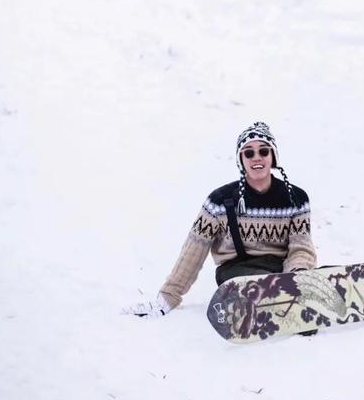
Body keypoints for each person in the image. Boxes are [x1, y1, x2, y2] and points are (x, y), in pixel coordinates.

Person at [123, 122, 317, 317]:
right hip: (237, 274)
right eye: (248, 153)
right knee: (249, 285)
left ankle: (299, 300)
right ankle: (286, 302)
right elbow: (194, 250)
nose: (256, 157)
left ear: (272, 156)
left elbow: (301, 248)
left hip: (281, 270)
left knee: (310, 277)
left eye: (263, 151)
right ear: (241, 159)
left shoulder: (296, 198)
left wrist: (297, 273)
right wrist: (169, 295)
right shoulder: (220, 201)